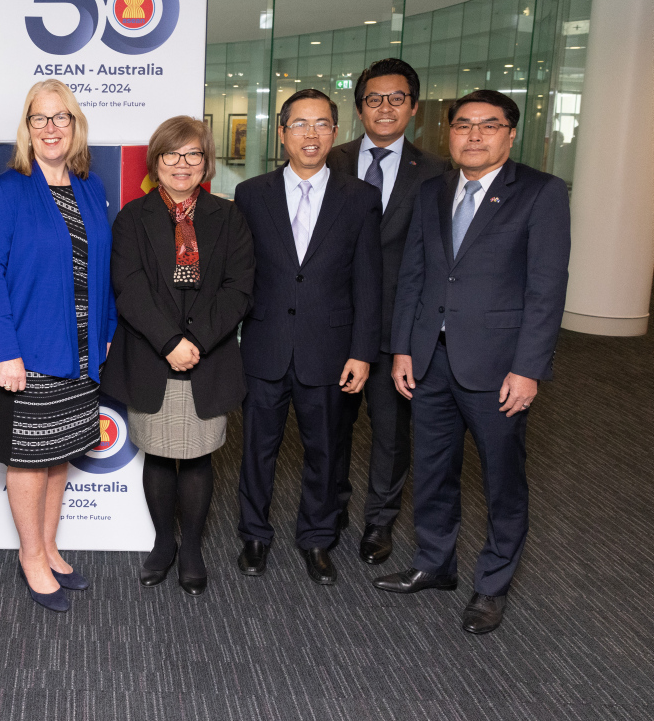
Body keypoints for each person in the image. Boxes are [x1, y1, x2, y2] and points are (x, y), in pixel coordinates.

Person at [377, 89, 571, 635]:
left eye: (489, 126)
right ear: (449, 133)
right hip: (429, 361)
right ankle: (434, 565)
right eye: (463, 126)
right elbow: (414, 275)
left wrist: (528, 367)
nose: (475, 136)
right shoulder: (434, 190)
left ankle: (492, 585)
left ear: (511, 134)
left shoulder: (541, 192)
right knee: (433, 471)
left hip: (499, 368)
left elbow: (545, 290)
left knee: (503, 481)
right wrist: (402, 350)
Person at [0, 78, 117, 612]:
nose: (52, 127)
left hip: (80, 347)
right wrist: (8, 351)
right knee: (31, 459)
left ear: (75, 126)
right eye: (41, 118)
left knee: (60, 454)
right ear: (27, 129)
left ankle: (50, 546)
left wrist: (103, 333)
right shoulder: (9, 189)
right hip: (27, 350)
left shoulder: (88, 187)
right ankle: (30, 557)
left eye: (62, 118)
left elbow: (99, 267)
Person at [232, 89, 382, 586]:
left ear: (335, 132)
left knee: (326, 452)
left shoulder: (360, 197)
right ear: (282, 133)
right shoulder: (251, 194)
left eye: (321, 124)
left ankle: (317, 539)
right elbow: (241, 274)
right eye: (300, 124)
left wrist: (362, 352)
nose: (311, 134)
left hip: (330, 349)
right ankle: (254, 534)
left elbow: (369, 280)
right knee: (257, 449)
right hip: (265, 345)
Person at [102, 116, 253, 596]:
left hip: (208, 357)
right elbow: (129, 288)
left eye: (193, 155)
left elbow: (239, 288)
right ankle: (165, 543)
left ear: (206, 162)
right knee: (161, 458)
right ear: (156, 162)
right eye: (172, 155)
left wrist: (197, 343)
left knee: (200, 456)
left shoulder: (228, 217)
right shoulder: (133, 217)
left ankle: (192, 550)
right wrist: (169, 342)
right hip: (152, 354)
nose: (182, 164)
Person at [326, 58, 451, 565]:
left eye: (396, 98)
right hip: (335, 326)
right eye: (374, 99)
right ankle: (329, 510)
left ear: (414, 108)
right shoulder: (329, 159)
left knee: (391, 436)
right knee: (330, 428)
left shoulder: (439, 173)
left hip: (397, 329)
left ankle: (379, 521)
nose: (385, 107)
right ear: (359, 109)